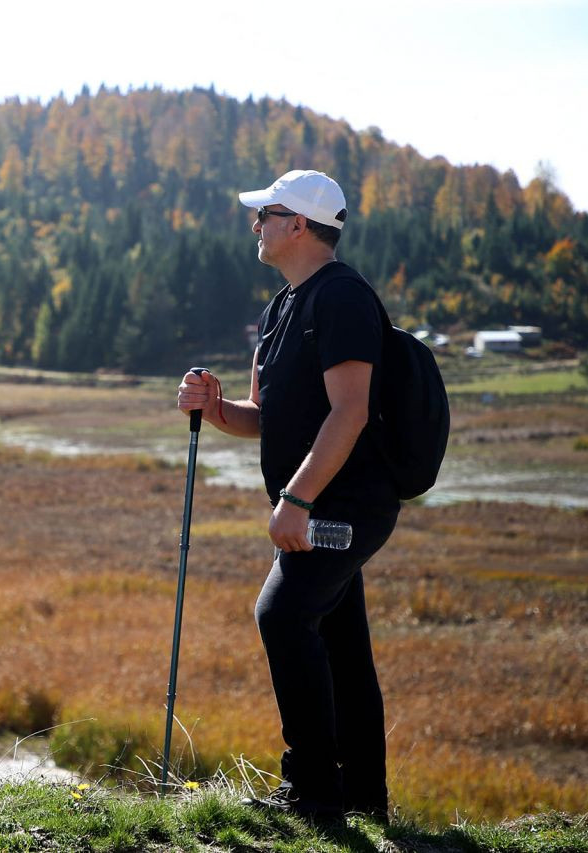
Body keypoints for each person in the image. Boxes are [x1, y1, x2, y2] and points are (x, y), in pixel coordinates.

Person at [177, 170, 398, 827]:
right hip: (319, 505)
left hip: (345, 510)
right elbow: (264, 417)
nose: (256, 224)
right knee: (339, 638)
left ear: (298, 224)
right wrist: (215, 408)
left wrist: (296, 501)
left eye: (266, 214)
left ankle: (312, 793)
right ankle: (361, 797)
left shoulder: (343, 299)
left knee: (281, 612)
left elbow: (350, 412)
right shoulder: (281, 309)